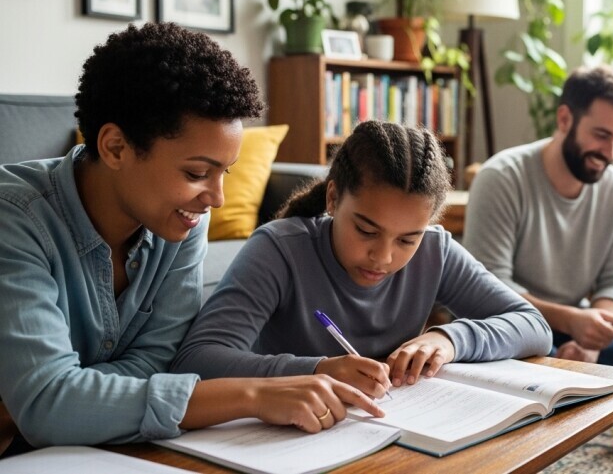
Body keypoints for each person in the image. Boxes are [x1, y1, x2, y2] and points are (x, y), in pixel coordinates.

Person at [0, 23, 383, 458]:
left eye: (226, 173)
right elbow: (48, 403)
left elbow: (156, 361)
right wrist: (252, 395)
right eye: (196, 174)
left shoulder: (181, 223)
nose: (216, 200)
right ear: (115, 148)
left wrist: (78, 397)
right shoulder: (14, 219)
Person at [171, 120, 551, 392]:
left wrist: (450, 339)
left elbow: (535, 328)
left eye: (407, 239)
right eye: (367, 231)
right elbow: (198, 360)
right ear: (333, 198)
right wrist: (320, 370)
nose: (383, 257)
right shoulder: (280, 248)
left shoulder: (436, 251)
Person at [462, 65, 613, 371]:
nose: (610, 152)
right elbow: (490, 287)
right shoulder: (502, 177)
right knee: (509, 341)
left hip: (575, 325)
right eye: (601, 135)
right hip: (510, 321)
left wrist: (591, 341)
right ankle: (571, 371)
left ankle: (566, 368)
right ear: (565, 119)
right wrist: (571, 320)